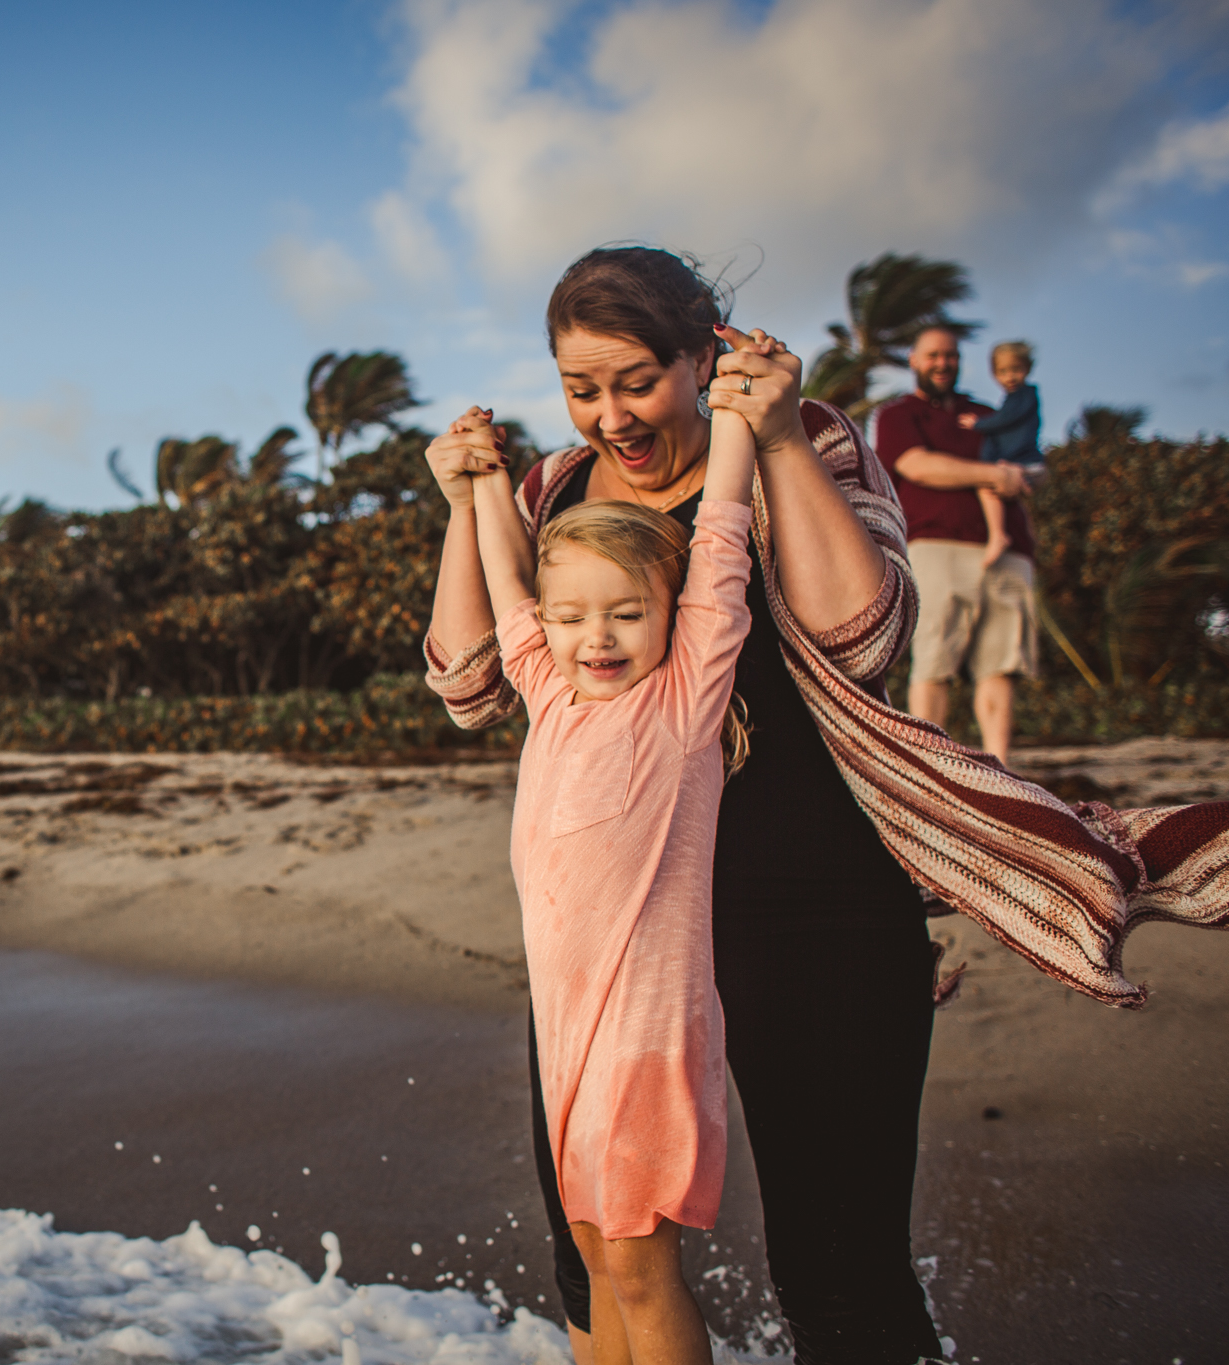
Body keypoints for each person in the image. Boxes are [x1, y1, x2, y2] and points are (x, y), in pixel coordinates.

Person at [424, 247, 946, 1364]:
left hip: (812, 906)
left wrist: (775, 440)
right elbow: (471, 684)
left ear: (702, 356)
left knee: (837, 1273)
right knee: (598, 1253)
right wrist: (464, 502)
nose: (608, 417)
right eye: (578, 388)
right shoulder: (550, 493)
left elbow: (862, 642)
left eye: (633, 382)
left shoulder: (806, 445)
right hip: (612, 938)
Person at [460, 385, 758, 1363]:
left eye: (625, 615)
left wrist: (742, 423)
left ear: (669, 615)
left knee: (637, 1267)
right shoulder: (549, 695)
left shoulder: (679, 711)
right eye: (573, 616)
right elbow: (508, 590)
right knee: (591, 1257)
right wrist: (480, 485)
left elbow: (717, 548)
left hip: (641, 1037)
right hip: (566, 1035)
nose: (595, 638)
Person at [872, 327, 1037, 764]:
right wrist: (994, 476)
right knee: (933, 659)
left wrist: (1029, 475)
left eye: (951, 356)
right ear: (914, 359)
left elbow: (1030, 459)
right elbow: (915, 465)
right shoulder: (897, 414)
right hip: (936, 547)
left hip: (1010, 551)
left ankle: (1001, 766)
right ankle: (932, 767)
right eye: (933, 355)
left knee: (1002, 664)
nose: (943, 363)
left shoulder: (986, 413)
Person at [958, 341, 1043, 569]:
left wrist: (978, 424)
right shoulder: (1012, 400)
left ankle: (998, 535)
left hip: (1026, 462)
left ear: (1027, 369)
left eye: (1016, 370)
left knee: (987, 487)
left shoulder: (1024, 397)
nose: (1010, 376)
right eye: (1004, 371)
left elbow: (1005, 420)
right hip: (1020, 462)